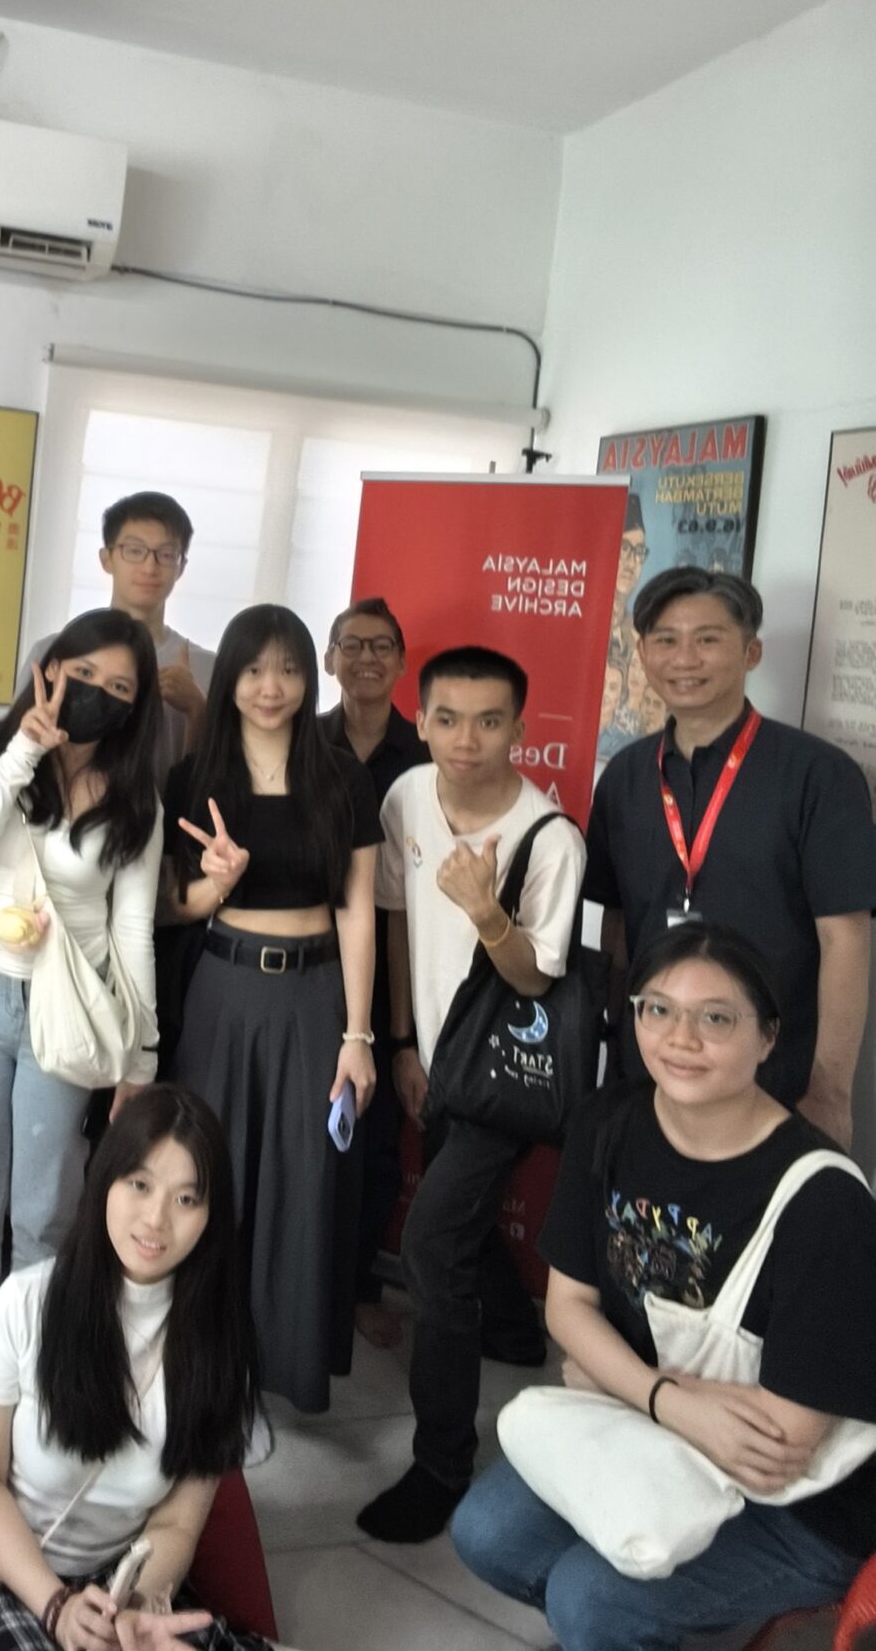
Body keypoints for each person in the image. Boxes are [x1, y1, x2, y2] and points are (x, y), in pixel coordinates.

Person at [452, 924, 876, 1651]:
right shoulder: (607, 1125)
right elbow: (568, 1308)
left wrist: (612, 1378)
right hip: (661, 1431)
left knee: (589, 1599)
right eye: (657, 1009)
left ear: (767, 1037)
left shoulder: (825, 1201)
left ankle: (620, 1621)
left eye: (717, 1018)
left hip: (801, 1506)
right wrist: (662, 1399)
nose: (681, 1038)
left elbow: (784, 1441)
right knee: (486, 1531)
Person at [358, 645, 586, 1543]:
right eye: (447, 718)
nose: (466, 739)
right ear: (420, 721)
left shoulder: (549, 838)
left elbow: (535, 978)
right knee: (456, 1213)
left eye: (489, 721)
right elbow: (396, 915)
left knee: (432, 1243)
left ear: (519, 730)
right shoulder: (408, 795)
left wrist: (487, 910)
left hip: (503, 1076)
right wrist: (403, 1043)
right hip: (435, 1057)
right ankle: (516, 1336)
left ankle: (442, 1464)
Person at [0, 1084, 270, 1651]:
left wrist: (139, 1609)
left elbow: (177, 1523)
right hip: (3, 1563)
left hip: (119, 1581)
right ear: (105, 1181)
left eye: (186, 1199)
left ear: (211, 1217)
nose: (156, 1219)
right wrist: (56, 1606)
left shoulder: (220, 1346)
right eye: (140, 1185)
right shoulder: (27, 1303)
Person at [165, 604, 379, 1415]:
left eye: (288, 669)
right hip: (222, 992)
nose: (271, 686)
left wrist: (358, 1034)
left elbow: (358, 911)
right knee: (209, 1171)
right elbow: (170, 904)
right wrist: (216, 885)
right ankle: (201, 1359)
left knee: (302, 1176)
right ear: (229, 679)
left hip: (314, 997)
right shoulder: (196, 778)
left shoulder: (341, 778)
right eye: (254, 669)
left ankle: (278, 1366)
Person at [585, 567, 876, 1147]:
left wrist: (829, 1091)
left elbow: (845, 940)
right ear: (642, 654)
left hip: (775, 1081)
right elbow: (616, 927)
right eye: (666, 639)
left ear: (751, 652)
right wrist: (614, 1045)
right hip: (650, 1072)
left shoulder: (821, 777)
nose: (684, 658)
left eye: (707, 639)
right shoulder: (624, 777)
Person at [0, 608, 165, 1325]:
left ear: (136, 706)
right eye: (84, 672)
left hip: (70, 1009)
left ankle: (33, 1357)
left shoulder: (135, 800)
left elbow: (133, 930)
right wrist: (24, 751)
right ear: (51, 669)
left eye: (119, 687)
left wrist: (141, 1058)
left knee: (44, 1209)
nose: (97, 692)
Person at [320, 597, 429, 1349]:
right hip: (304, 968)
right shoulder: (301, 744)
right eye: (352, 644)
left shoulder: (426, 757)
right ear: (330, 659)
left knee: (376, 1143)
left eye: (381, 646)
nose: (366, 658)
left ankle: (356, 1286)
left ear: (400, 661)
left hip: (394, 976)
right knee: (304, 1137)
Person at [22, 493, 214, 789]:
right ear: (106, 559)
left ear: (181, 566)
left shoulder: (207, 668)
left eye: (166, 554)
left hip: (170, 815)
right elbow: (16, 750)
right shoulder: (54, 653)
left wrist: (198, 709)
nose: (149, 567)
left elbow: (221, 778)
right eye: (134, 550)